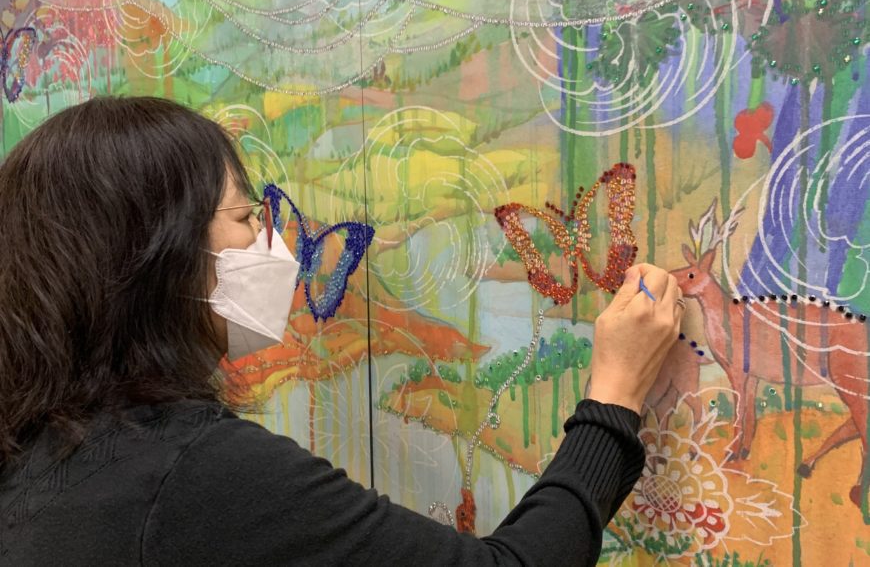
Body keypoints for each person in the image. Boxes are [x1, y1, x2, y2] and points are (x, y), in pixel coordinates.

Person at [0, 97, 685, 566]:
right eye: (245, 221)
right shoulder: (196, 475)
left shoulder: (41, 457)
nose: (275, 247)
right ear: (159, 256)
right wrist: (614, 394)